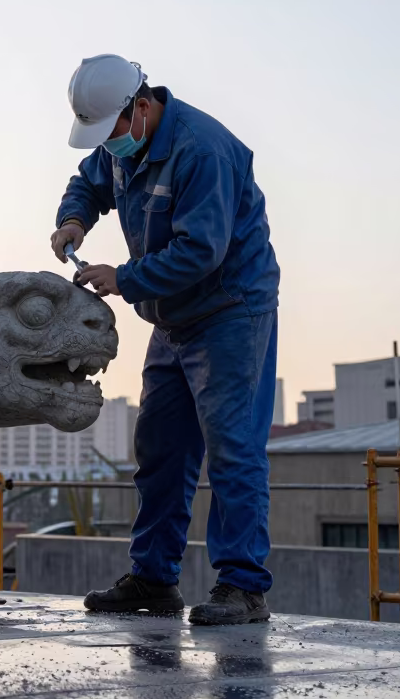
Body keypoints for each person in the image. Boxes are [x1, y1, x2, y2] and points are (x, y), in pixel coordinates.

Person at [50, 55, 280, 625]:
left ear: (143, 107)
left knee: (231, 448)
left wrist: (123, 278)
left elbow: (202, 251)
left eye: (113, 133)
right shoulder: (122, 139)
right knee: (160, 450)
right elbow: (90, 180)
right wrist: (74, 218)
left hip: (229, 309)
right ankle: (154, 578)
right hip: (172, 315)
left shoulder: (201, 150)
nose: (109, 146)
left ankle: (243, 587)